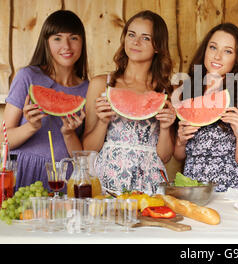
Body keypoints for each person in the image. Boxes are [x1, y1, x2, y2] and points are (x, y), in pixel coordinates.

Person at [82, 10, 176, 194]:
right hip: (107, 182)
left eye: (146, 38)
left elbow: (164, 157)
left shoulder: (166, 92)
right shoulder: (101, 84)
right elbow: (88, 149)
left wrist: (165, 127)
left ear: (158, 46)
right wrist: (102, 122)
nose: (135, 42)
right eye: (131, 35)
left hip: (150, 185)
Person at [4, 10, 89, 191]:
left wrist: (69, 133)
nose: (66, 46)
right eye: (57, 38)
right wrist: (31, 127)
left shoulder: (88, 90)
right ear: (46, 42)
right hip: (23, 171)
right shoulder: (27, 76)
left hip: (63, 176)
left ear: (82, 42)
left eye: (73, 38)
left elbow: (81, 157)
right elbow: (3, 141)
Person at [173, 23, 238, 192]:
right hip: (192, 187)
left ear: (237, 58)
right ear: (205, 50)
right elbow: (179, 155)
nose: (217, 56)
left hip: (229, 188)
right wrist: (180, 141)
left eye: (227, 51)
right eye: (213, 47)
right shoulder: (186, 92)